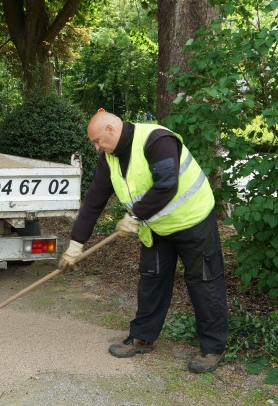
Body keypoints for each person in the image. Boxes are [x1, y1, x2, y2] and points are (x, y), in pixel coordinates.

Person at [58, 110, 228, 374]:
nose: (96, 147)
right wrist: (76, 243)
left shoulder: (156, 140)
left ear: (112, 130)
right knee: (152, 280)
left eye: (98, 141)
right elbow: (94, 200)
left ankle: (213, 348)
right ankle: (142, 338)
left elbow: (167, 184)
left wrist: (135, 215)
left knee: (204, 283)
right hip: (157, 227)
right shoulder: (109, 158)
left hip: (193, 222)